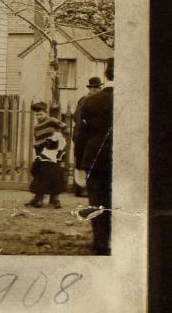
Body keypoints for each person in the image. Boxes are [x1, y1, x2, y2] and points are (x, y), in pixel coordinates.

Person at [75, 59, 114, 255]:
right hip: (128, 161)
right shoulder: (137, 100)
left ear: (106, 75)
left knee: (98, 202)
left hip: (96, 161)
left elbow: (79, 135)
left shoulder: (90, 101)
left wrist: (78, 164)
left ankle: (101, 243)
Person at [26, 101, 69, 208]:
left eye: (41, 114)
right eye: (37, 114)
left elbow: (65, 127)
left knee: (55, 174)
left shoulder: (52, 121)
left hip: (54, 152)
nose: (39, 116)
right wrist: (38, 152)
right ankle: (38, 198)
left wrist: (60, 138)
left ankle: (54, 199)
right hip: (42, 153)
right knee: (38, 173)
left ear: (46, 113)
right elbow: (38, 141)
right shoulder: (37, 126)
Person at [71, 76, 103, 196]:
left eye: (98, 88)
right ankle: (80, 188)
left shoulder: (99, 100)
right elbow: (76, 117)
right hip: (82, 135)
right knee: (81, 161)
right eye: (94, 88)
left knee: (91, 162)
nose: (96, 90)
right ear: (90, 89)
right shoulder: (84, 100)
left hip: (91, 136)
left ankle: (88, 188)